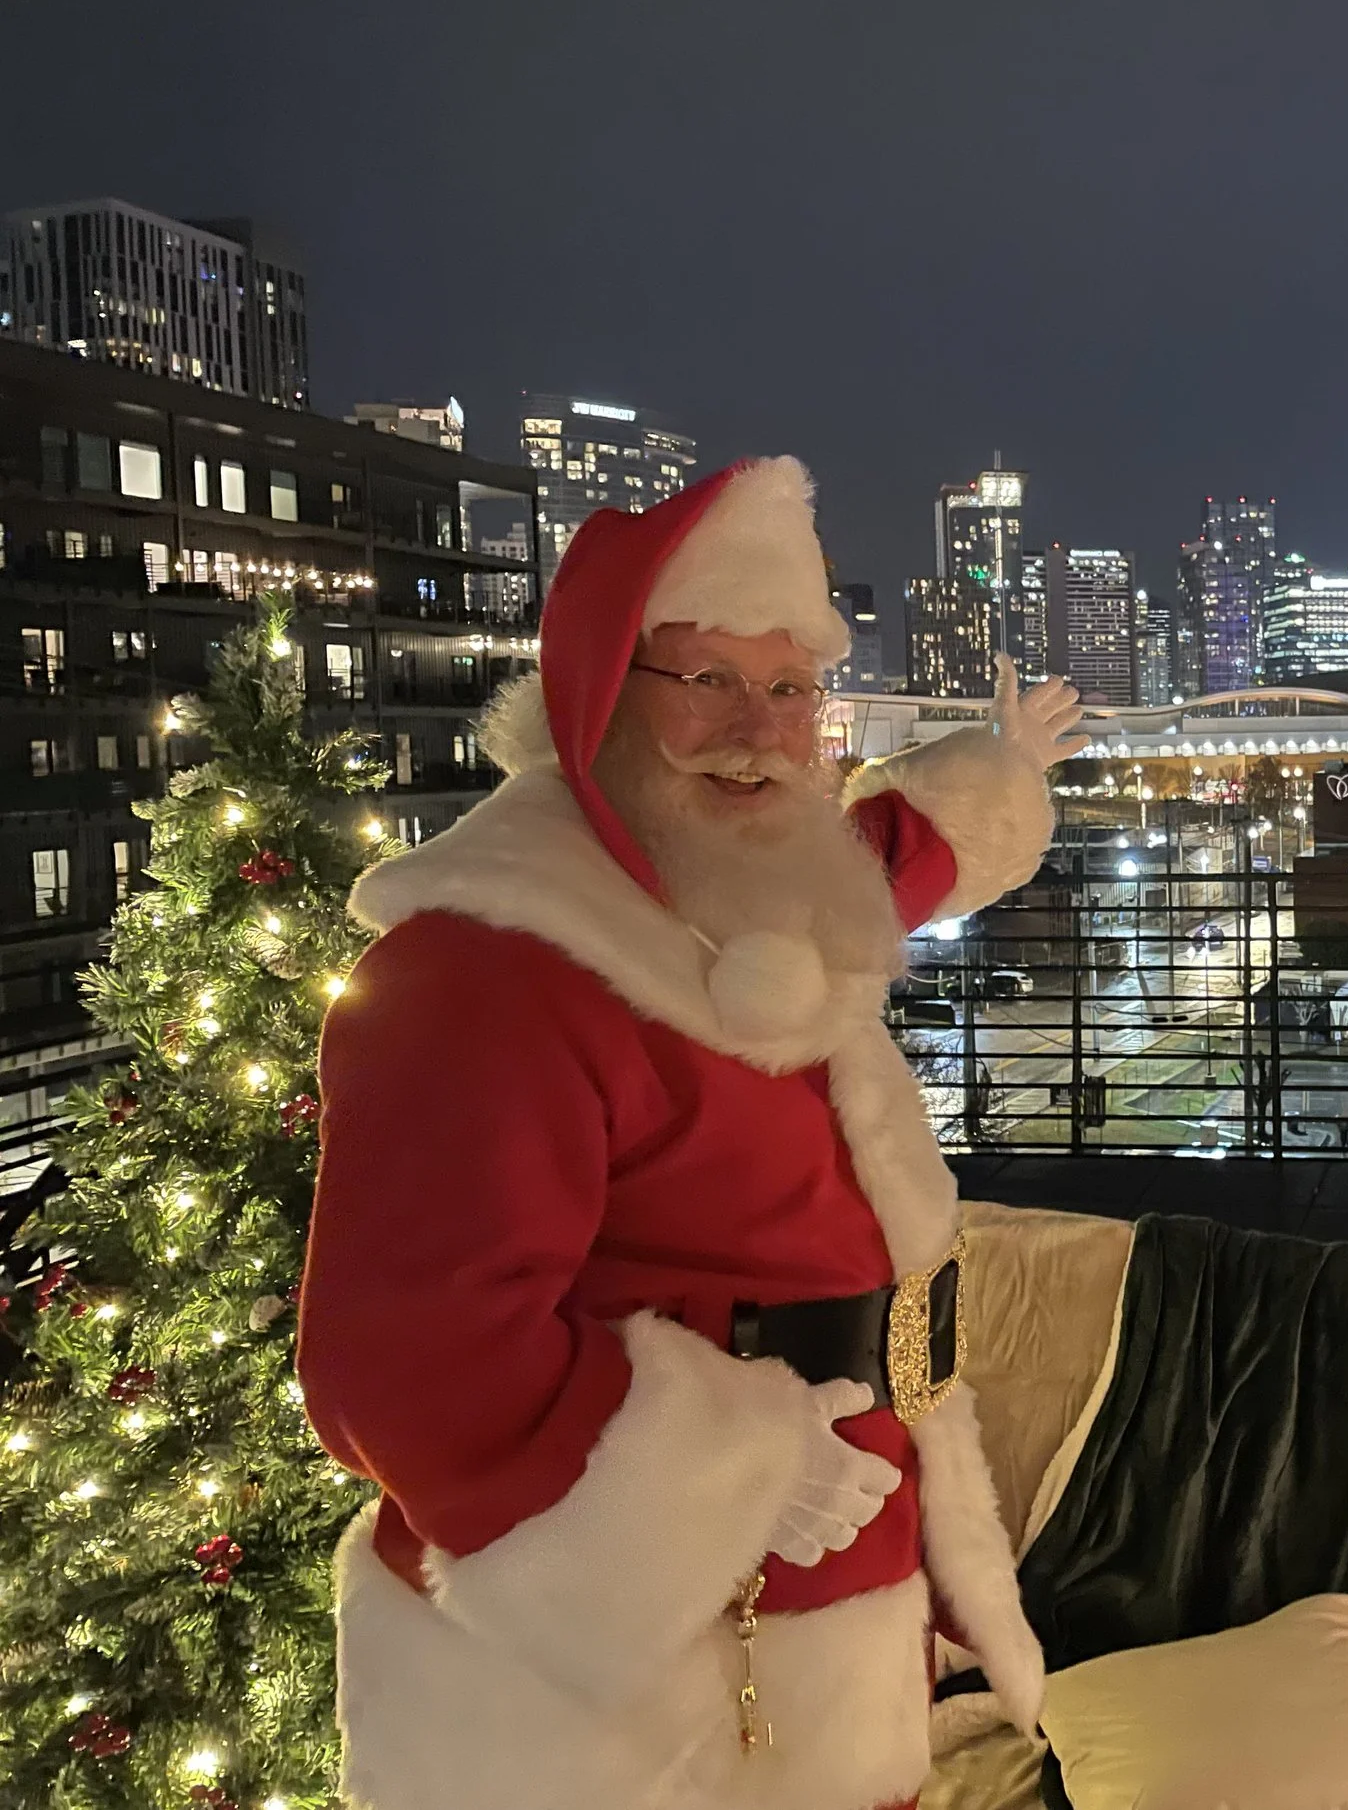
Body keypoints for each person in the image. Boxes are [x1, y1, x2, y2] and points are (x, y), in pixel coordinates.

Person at [296, 456, 1080, 1810]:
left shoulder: (749, 873)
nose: (759, 730)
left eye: (790, 690)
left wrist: (1003, 772)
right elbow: (406, 1369)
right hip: (637, 1696)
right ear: (598, 698)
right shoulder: (484, 971)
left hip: (830, 1630)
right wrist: (739, 1470)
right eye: (706, 681)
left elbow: (895, 849)